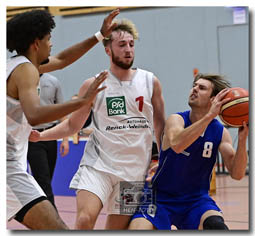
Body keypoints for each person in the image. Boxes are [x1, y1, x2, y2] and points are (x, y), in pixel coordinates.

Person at [29, 18, 166, 230]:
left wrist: (164, 159)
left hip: (133, 172)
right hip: (98, 167)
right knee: (84, 220)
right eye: (121, 45)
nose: (128, 49)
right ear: (108, 50)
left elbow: (161, 126)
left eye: (131, 44)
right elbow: (72, 125)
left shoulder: (150, 81)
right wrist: (41, 135)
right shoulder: (93, 84)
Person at [7, 8, 119, 230]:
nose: (52, 44)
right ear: (36, 43)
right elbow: (35, 114)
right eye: (49, 39)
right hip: (8, 168)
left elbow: (62, 59)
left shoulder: (14, 65)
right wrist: (82, 101)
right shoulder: (26, 70)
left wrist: (99, 35)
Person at [129, 73, 249, 230]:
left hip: (196, 200)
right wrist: (209, 116)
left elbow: (237, 174)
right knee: (137, 230)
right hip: (160, 198)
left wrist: (241, 141)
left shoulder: (219, 132)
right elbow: (178, 144)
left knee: (216, 226)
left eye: (202, 88)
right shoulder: (176, 120)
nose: (194, 89)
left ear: (213, 99)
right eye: (194, 85)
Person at [27, 73, 70, 209]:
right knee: (43, 179)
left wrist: (65, 139)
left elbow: (62, 112)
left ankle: (40, 209)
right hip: (31, 135)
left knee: (47, 179)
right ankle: (52, 215)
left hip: (50, 134)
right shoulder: (22, 79)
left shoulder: (53, 81)